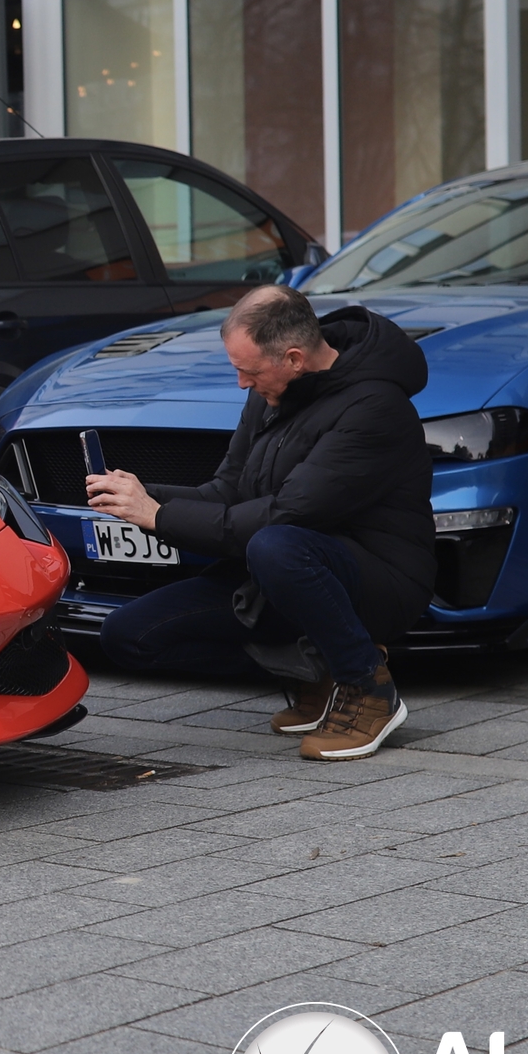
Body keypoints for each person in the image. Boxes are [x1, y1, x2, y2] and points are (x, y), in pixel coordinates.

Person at [88, 284, 434, 760]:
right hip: (277, 567)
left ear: (293, 358)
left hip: (376, 580)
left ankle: (366, 686)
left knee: (277, 545)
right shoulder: (272, 393)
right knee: (128, 636)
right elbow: (227, 492)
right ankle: (314, 672)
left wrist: (159, 516)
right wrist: (140, 495)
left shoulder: (374, 408)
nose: (241, 384)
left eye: (247, 371)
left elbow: (289, 514)